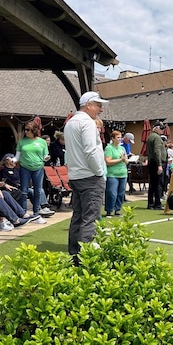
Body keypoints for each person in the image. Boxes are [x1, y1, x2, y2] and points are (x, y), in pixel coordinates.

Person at [64, 91, 108, 264]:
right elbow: (91, 151)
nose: (101, 109)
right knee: (90, 218)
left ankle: (74, 255)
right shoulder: (87, 123)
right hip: (90, 176)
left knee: (78, 216)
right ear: (88, 104)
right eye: (98, 105)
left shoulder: (70, 123)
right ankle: (85, 258)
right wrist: (99, 172)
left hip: (76, 175)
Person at [13, 120, 50, 222]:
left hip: (38, 168)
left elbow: (45, 155)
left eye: (28, 130)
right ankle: (23, 213)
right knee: (24, 191)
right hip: (25, 168)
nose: (26, 132)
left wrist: (46, 158)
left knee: (38, 191)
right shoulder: (22, 142)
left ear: (34, 130)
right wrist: (12, 160)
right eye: (25, 130)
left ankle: (36, 213)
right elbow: (17, 157)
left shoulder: (42, 142)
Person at [104, 130, 129, 217]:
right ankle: (109, 210)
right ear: (113, 138)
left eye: (120, 137)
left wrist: (125, 159)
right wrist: (120, 160)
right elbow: (108, 161)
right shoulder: (109, 148)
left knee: (121, 193)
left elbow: (126, 161)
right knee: (112, 192)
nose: (120, 139)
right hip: (112, 174)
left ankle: (117, 210)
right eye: (118, 137)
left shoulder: (122, 148)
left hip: (123, 174)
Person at [146, 120, 167, 210]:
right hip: (157, 162)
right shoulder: (157, 138)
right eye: (161, 129)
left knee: (152, 183)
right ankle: (157, 203)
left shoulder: (150, 136)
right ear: (157, 129)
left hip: (152, 162)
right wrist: (159, 165)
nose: (162, 131)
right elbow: (157, 151)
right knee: (159, 183)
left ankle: (151, 203)